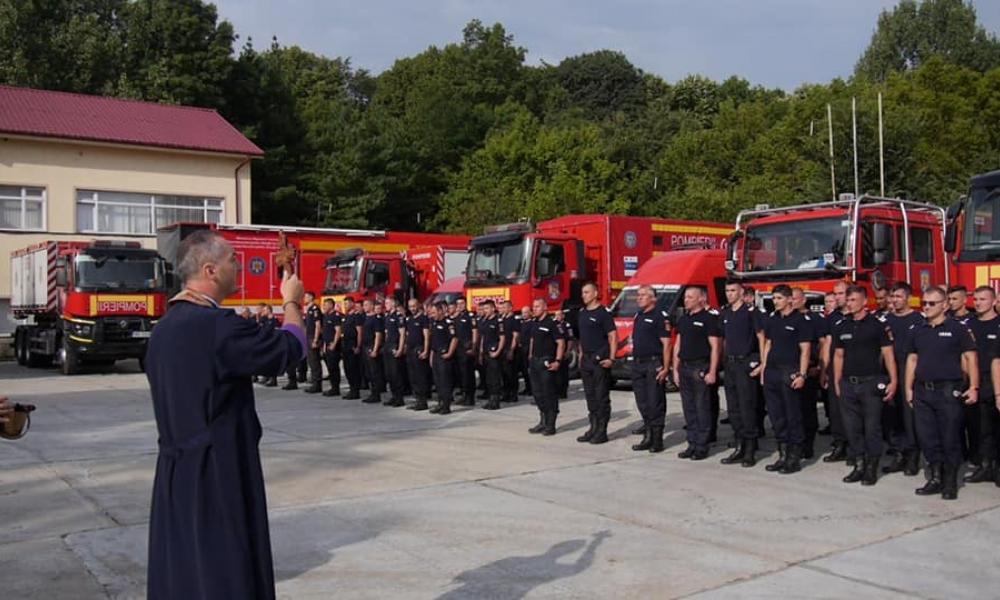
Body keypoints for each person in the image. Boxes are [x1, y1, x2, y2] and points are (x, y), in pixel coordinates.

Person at [145, 229, 306, 599]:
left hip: (175, 471)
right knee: (226, 571)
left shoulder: (164, 329)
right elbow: (290, 348)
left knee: (184, 571)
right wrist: (292, 302)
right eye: (232, 260)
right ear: (210, 270)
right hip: (218, 470)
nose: (239, 267)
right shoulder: (217, 327)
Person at [905, 286, 978, 500]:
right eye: (924, 303)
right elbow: (912, 360)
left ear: (945, 305)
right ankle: (935, 477)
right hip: (922, 392)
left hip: (948, 391)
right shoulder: (917, 330)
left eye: (931, 303)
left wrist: (973, 387)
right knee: (928, 438)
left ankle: (950, 481)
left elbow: (971, 357)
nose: (926, 307)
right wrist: (908, 388)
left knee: (950, 438)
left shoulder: (958, 329)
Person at [833, 286, 897, 486]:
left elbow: (888, 354)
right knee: (852, 428)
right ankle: (858, 465)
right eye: (848, 300)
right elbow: (838, 355)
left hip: (870, 384)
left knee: (872, 428)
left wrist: (893, 381)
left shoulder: (876, 326)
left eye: (853, 300)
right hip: (848, 385)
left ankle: (871, 467)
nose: (849, 303)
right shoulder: (842, 325)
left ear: (863, 302)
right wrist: (837, 381)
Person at [761, 284, 811, 474]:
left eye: (780, 298)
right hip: (772, 372)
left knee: (793, 416)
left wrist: (802, 374)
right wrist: (764, 369)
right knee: (777, 416)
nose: (776, 302)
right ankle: (782, 455)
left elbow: (805, 350)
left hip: (789, 371)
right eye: (774, 299)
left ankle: (794, 458)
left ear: (790, 299)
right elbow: (768, 344)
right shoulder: (773, 320)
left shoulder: (801, 320)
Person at [719, 281, 765, 467]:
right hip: (730, 365)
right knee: (734, 409)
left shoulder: (751, 313)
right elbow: (722, 340)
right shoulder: (725, 313)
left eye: (733, 291)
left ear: (741, 293)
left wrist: (762, 363)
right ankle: (739, 445)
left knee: (747, 408)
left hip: (745, 364)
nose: (729, 294)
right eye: (727, 291)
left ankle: (750, 449)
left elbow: (761, 337)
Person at [673, 287, 721, 460]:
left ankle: (702, 445)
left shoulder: (709, 319)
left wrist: (712, 371)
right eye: (685, 297)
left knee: (702, 408)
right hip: (684, 368)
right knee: (689, 409)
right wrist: (675, 369)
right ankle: (691, 443)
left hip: (700, 367)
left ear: (701, 299)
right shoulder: (684, 319)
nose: (686, 300)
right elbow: (678, 345)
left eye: (690, 297)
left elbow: (715, 347)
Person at [881, 282, 925, 476]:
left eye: (899, 296)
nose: (895, 300)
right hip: (889, 371)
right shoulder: (885, 320)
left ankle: (913, 455)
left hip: (910, 370)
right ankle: (898, 453)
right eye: (893, 297)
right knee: (892, 415)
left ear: (908, 297)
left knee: (910, 417)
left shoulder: (918, 319)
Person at [630, 285, 672, 453]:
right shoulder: (639, 315)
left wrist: (666, 367)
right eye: (638, 295)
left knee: (655, 402)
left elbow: (667, 344)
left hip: (653, 364)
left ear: (653, 298)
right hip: (638, 364)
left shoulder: (660, 316)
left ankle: (657, 439)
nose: (638, 298)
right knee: (643, 402)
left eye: (642, 295)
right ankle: (647, 435)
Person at [964, 286, 1000, 484]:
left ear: (994, 301)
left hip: (998, 382)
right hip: (977, 382)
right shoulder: (969, 325)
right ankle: (985, 465)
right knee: (982, 428)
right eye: (975, 299)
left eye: (983, 299)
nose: (978, 303)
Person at [576, 282, 617, 445]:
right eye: (582, 293)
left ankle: (602, 431)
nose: (583, 295)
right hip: (586, 360)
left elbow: (613, 337)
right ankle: (593, 427)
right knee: (590, 397)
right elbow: (582, 338)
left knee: (601, 397)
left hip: (599, 360)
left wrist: (612, 359)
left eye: (586, 292)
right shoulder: (582, 313)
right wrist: (580, 356)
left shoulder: (603, 313)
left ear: (595, 293)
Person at [791, 287, 824, 460]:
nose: (792, 302)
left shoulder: (814, 319)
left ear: (804, 300)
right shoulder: (786, 318)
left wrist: (819, 366)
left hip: (808, 369)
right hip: (789, 370)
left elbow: (823, 343)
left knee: (807, 409)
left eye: (795, 298)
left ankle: (808, 445)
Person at [820, 282, 851, 463]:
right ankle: (840, 445)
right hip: (835, 371)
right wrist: (825, 370)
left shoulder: (859, 317)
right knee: (836, 410)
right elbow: (827, 344)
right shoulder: (832, 318)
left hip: (854, 371)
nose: (838, 297)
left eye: (842, 293)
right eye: (836, 294)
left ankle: (856, 448)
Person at [527, 298, 565, 436]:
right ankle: (542, 421)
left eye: (537, 306)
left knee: (549, 394)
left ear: (544, 308)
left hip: (547, 363)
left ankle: (550, 424)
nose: (534, 309)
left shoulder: (552, 324)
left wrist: (558, 361)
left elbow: (561, 343)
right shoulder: (535, 323)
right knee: (538, 394)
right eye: (534, 306)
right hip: (535, 362)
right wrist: (530, 356)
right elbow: (532, 340)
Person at [477, 299, 506, 410]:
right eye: (484, 308)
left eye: (487, 308)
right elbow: (483, 338)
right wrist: (480, 352)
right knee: (488, 378)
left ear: (493, 308)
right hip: (485, 353)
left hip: (494, 353)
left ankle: (495, 401)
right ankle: (490, 399)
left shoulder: (498, 321)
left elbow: (502, 338)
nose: (485, 310)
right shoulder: (485, 321)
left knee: (494, 378)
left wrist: (497, 352)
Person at [429, 301, 458, 414]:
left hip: (444, 356)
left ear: (441, 311)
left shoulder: (448, 323)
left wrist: (450, 353)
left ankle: (446, 405)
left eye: (434, 312)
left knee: (445, 381)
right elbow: (433, 342)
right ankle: (440, 403)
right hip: (436, 355)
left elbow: (454, 339)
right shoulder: (434, 323)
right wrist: (432, 356)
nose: (432, 315)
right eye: (431, 313)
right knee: (438, 382)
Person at [404, 298, 433, 411]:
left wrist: (426, 350)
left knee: (420, 376)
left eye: (414, 306)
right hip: (410, 351)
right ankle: (417, 399)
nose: (412, 309)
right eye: (410, 306)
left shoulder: (423, 319)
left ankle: (423, 401)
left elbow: (426, 336)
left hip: (419, 349)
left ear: (419, 305)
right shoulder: (410, 319)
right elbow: (407, 334)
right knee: (413, 377)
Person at [452, 298, 478, 406]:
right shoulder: (456, 317)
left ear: (466, 304)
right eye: (458, 303)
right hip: (458, 349)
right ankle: (464, 394)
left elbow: (475, 332)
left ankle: (470, 397)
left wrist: (473, 346)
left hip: (467, 348)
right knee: (461, 374)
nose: (460, 305)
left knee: (468, 374)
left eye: (462, 303)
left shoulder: (470, 316)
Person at [382, 297, 406, 407]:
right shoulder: (387, 316)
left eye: (387, 303)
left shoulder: (398, 316)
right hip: (388, 346)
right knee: (389, 374)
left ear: (393, 304)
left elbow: (402, 334)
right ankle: (393, 395)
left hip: (395, 346)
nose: (385, 304)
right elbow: (386, 333)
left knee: (396, 373)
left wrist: (400, 348)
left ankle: (399, 398)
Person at [361, 299, 385, 404]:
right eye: (364, 305)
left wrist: (375, 349)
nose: (364, 307)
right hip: (365, 347)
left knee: (374, 372)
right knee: (368, 372)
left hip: (372, 346)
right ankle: (372, 392)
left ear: (372, 306)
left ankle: (376, 394)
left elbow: (378, 335)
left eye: (366, 304)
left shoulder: (376, 319)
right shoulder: (366, 318)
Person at [341, 298, 364, 399]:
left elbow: (359, 332)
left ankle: (355, 391)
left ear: (352, 304)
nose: (345, 305)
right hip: (345, 344)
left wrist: (358, 346)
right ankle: (351, 389)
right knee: (347, 368)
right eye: (344, 303)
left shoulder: (356, 316)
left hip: (353, 344)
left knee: (354, 369)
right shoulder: (346, 316)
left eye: (347, 303)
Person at [320, 298, 342, 397]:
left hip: (333, 346)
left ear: (331, 305)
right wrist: (324, 346)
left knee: (334, 367)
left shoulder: (335, 316)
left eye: (325, 305)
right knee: (330, 368)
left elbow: (338, 331)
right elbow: (325, 333)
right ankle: (333, 387)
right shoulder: (326, 316)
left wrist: (334, 344)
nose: (323, 307)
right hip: (327, 345)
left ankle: (336, 388)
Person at [256, 305, 279, 387]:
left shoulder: (274, 319)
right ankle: (267, 377)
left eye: (265, 310)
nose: (263, 311)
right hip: (266, 342)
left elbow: (276, 331)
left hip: (272, 342)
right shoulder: (265, 319)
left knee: (273, 361)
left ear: (269, 310)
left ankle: (273, 379)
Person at [517, 306, 534, 397]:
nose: (524, 314)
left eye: (526, 312)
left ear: (530, 313)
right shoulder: (521, 323)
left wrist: (531, 352)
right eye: (523, 313)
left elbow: (532, 339)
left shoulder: (532, 323)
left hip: (528, 348)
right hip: (522, 348)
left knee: (529, 371)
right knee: (524, 370)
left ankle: (532, 389)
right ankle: (527, 388)